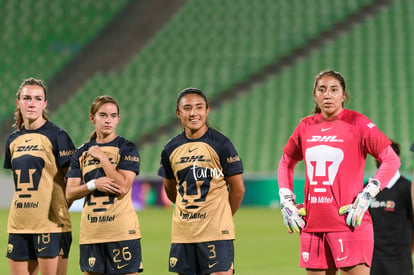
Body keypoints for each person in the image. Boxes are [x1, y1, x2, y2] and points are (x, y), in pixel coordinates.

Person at [277, 70, 401, 275]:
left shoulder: (358, 123)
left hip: (349, 222)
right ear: (315, 95)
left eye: (334, 90)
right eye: (322, 90)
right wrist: (285, 199)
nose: (328, 95)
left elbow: (391, 159)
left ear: (343, 96)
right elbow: (286, 161)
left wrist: (367, 194)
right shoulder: (305, 126)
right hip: (312, 224)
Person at [158, 88, 245, 275]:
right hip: (184, 234)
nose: (193, 113)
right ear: (178, 113)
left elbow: (238, 189)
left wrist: (223, 217)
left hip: (216, 233)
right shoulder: (170, 148)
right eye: (187, 108)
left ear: (207, 110)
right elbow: (171, 190)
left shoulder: (222, 144)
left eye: (199, 107)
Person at [4, 77, 75, 275]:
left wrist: (56, 209)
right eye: (27, 98)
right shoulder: (13, 140)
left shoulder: (58, 136)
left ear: (44, 103)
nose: (32, 103)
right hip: (19, 224)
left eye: (37, 98)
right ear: (18, 102)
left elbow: (73, 181)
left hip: (50, 226)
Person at [65, 95, 143, 275]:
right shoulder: (81, 153)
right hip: (91, 234)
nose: (108, 120)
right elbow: (69, 193)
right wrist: (93, 184)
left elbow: (123, 187)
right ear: (92, 118)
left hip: (122, 233)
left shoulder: (127, 148)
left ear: (118, 119)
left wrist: (102, 157)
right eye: (103, 115)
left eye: (113, 115)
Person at [368, 140, 413, 275]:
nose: (380, 160)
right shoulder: (367, 189)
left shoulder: (407, 188)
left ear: (397, 159)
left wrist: (407, 251)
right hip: (373, 260)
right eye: (378, 157)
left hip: (400, 261)